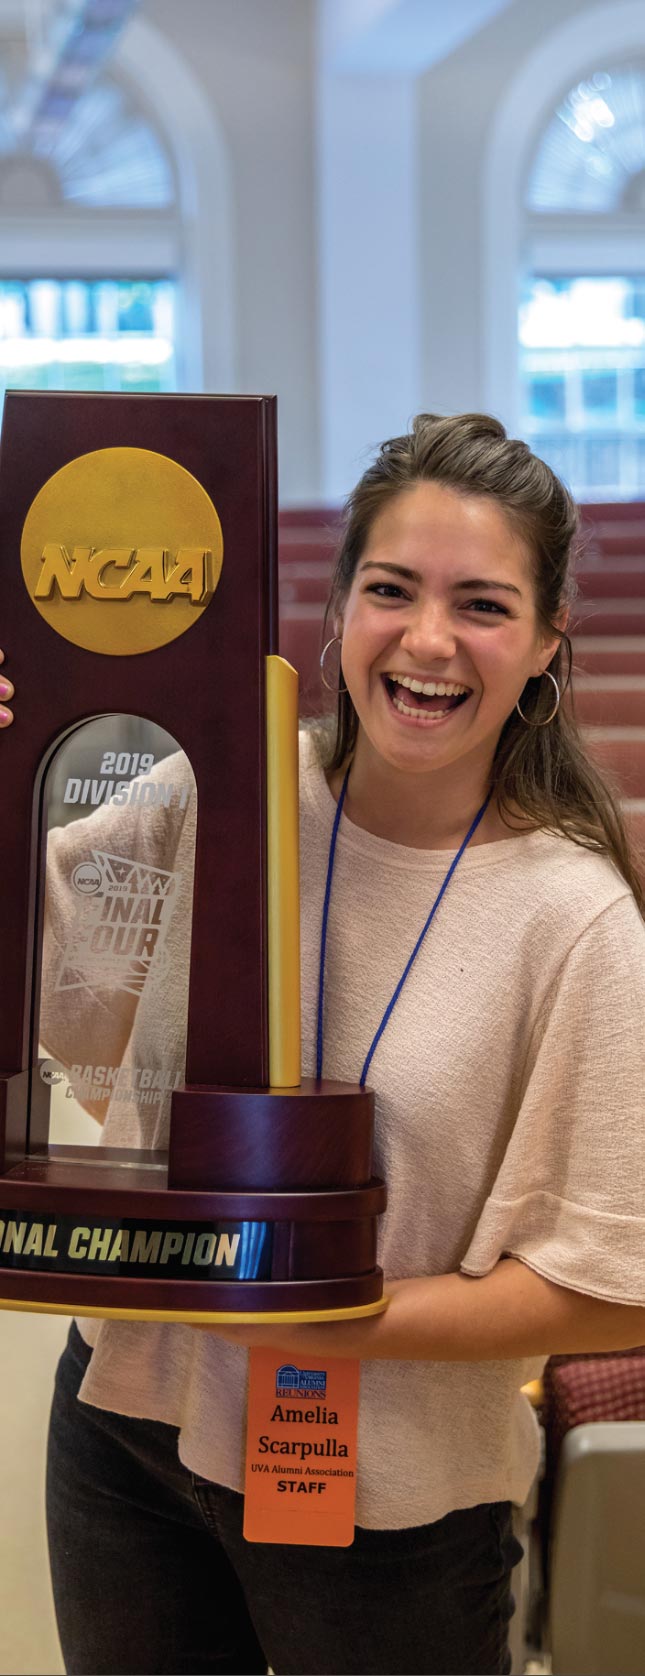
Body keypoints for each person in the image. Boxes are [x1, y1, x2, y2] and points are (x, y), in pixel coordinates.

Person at [2, 412, 645, 1676]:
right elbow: (56, 1005)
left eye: (483, 604)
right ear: (337, 604)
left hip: (389, 1507)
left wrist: (334, 1320)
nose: (426, 640)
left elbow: (610, 1284)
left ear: (547, 642)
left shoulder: (579, 921)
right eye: (391, 589)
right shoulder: (217, 788)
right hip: (129, 1429)